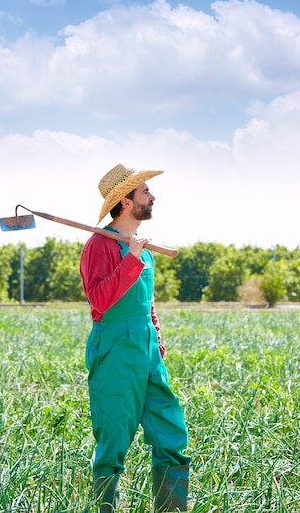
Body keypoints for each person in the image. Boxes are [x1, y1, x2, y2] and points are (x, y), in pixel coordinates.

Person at [80, 163, 191, 512]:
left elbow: (148, 301)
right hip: (115, 348)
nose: (152, 196)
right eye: (144, 191)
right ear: (125, 202)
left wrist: (155, 336)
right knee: (114, 440)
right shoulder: (99, 245)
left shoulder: (142, 247)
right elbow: (99, 302)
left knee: (172, 431)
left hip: (146, 349)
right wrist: (130, 258)